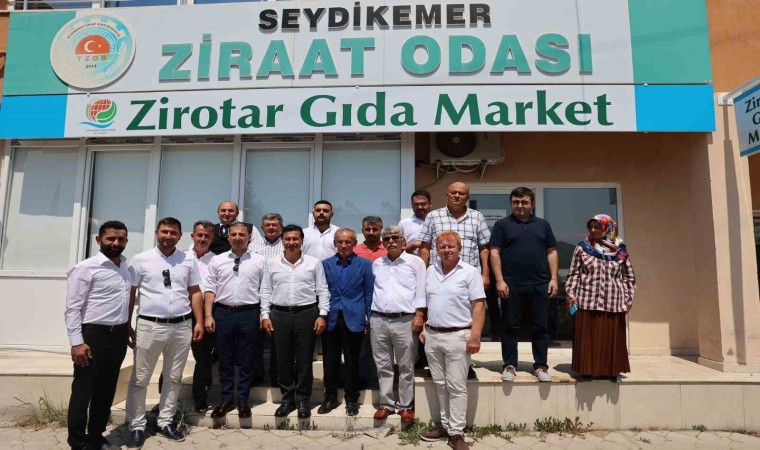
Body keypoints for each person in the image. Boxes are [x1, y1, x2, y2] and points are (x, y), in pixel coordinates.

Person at [125, 218, 204, 448]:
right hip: (150, 325)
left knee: (173, 377)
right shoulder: (140, 259)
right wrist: (126, 323)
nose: (168, 236)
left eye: (173, 233)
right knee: (140, 378)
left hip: (181, 326)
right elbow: (130, 292)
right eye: (164, 232)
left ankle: (165, 421)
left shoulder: (188, 259)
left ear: (180, 236)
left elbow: (195, 291)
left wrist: (199, 321)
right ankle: (137, 425)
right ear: (157, 233)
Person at [65, 221, 130, 450]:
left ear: (126, 241)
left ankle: (96, 436)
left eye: (121, 239)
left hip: (118, 336)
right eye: (111, 238)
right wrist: (77, 342)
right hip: (93, 336)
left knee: (106, 389)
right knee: (83, 391)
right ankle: (77, 442)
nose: (116, 243)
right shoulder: (85, 268)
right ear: (98, 240)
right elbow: (73, 308)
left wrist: (127, 327)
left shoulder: (126, 267)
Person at [420, 231, 486, 450]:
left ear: (459, 249)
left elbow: (479, 306)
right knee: (440, 384)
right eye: (442, 246)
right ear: (436, 249)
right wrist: (425, 327)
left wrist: (475, 335)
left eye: (451, 246)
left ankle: (457, 433)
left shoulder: (470, 272)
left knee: (456, 386)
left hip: (458, 336)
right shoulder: (430, 271)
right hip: (432, 336)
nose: (446, 250)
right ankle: (445, 426)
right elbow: (428, 302)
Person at [418, 182, 490, 376]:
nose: (457, 195)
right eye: (453, 192)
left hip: (468, 276)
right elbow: (425, 246)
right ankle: (434, 364)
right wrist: (422, 273)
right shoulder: (433, 216)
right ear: (447, 195)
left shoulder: (477, 217)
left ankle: (466, 364)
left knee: (467, 320)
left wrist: (485, 273)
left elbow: (484, 247)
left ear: (467, 197)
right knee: (437, 313)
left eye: (461, 193)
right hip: (440, 275)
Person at [260, 225, 330, 419]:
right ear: (282, 241)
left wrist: (322, 314)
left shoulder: (314, 263)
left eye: (295, 239)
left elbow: (322, 290)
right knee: (283, 359)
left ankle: (303, 399)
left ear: (302, 241)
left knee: (304, 360)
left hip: (307, 314)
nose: (291, 243)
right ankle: (287, 399)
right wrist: (265, 315)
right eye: (288, 239)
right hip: (279, 314)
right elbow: (265, 290)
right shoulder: (272, 263)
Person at [489, 187, 558, 383]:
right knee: (510, 325)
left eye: (524, 202)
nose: (520, 205)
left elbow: (551, 251)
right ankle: (510, 365)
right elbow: (494, 252)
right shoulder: (502, 225)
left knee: (540, 326)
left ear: (532, 204)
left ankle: (541, 365)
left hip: (540, 283)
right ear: (511, 203)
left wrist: (554, 278)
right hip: (511, 284)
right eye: (516, 202)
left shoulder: (543, 225)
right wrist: (499, 280)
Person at [204, 223, 267, 418]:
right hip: (223, 313)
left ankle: (242, 400)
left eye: (242, 234)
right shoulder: (217, 260)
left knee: (247, 359)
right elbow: (210, 289)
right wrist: (208, 315)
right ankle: (226, 399)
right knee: (225, 359)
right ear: (228, 237)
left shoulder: (260, 261)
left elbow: (265, 290)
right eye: (234, 235)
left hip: (249, 313)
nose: (238, 238)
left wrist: (263, 315)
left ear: (249, 237)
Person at [154, 221, 216, 414]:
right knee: (171, 358)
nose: (202, 239)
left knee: (203, 359)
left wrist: (206, 316)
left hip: (204, 315)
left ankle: (200, 398)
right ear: (192, 236)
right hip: (179, 313)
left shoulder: (217, 260)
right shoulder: (181, 257)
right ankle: (163, 401)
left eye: (207, 236)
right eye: (199, 235)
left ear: (212, 238)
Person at [565, 214, 636, 381]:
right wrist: (571, 295)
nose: (593, 230)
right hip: (587, 299)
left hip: (613, 301)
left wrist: (628, 299)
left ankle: (611, 371)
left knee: (610, 338)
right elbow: (574, 273)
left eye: (597, 227)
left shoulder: (620, 250)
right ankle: (587, 370)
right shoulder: (582, 248)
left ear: (607, 228)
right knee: (588, 338)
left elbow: (629, 276)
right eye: (590, 227)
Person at [370, 225, 426, 425]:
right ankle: (386, 404)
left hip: (405, 320)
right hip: (379, 319)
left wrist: (419, 315)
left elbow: (421, 291)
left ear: (403, 240)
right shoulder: (377, 263)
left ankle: (405, 406)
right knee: (383, 365)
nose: (391, 241)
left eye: (395, 237)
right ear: (383, 242)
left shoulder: (416, 262)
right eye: (387, 238)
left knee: (405, 365)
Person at [318, 228, 374, 416]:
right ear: (335, 243)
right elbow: (320, 291)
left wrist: (369, 319)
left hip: (355, 317)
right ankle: (330, 397)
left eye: (348, 241)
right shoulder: (325, 264)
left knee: (353, 360)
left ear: (354, 243)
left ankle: (352, 399)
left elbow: (368, 293)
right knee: (330, 360)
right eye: (340, 242)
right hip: (331, 318)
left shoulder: (365, 265)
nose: (343, 245)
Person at [248, 213, 284, 387]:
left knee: (279, 341)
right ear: (262, 228)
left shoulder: (287, 244)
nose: (271, 228)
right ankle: (256, 374)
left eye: (274, 225)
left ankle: (277, 376)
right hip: (255, 297)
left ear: (281, 227)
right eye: (267, 225)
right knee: (255, 339)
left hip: (279, 299)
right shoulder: (252, 246)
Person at [399, 190, 432, 255]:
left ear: (430, 204)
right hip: (412, 261)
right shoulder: (404, 224)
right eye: (416, 204)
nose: (420, 207)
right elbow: (399, 250)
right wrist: (414, 245)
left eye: (423, 204)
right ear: (412, 205)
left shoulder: (437, 222)